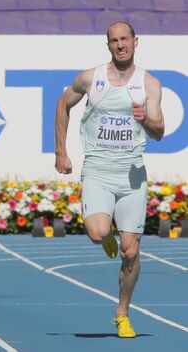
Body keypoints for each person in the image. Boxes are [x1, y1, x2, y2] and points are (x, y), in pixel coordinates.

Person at [54, 21, 164, 338]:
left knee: (131, 253)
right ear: (109, 46)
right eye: (113, 41)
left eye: (124, 39)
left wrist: (146, 121)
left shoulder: (149, 84)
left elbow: (159, 133)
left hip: (132, 173)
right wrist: (61, 151)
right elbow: (63, 104)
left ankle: (122, 313)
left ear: (135, 42)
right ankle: (107, 230)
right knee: (96, 232)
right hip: (98, 170)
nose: (120, 45)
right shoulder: (91, 78)